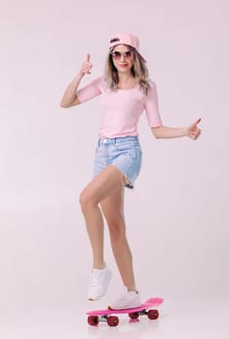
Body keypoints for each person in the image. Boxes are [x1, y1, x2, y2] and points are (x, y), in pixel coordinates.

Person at [60, 32, 201, 310]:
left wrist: (185, 131)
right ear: (111, 57)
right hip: (102, 152)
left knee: (86, 198)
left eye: (127, 53)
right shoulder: (104, 84)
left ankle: (99, 268)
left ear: (135, 56)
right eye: (117, 54)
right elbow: (66, 102)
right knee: (116, 227)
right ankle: (132, 292)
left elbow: (157, 130)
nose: (122, 59)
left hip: (127, 152)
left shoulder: (146, 87)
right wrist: (80, 74)